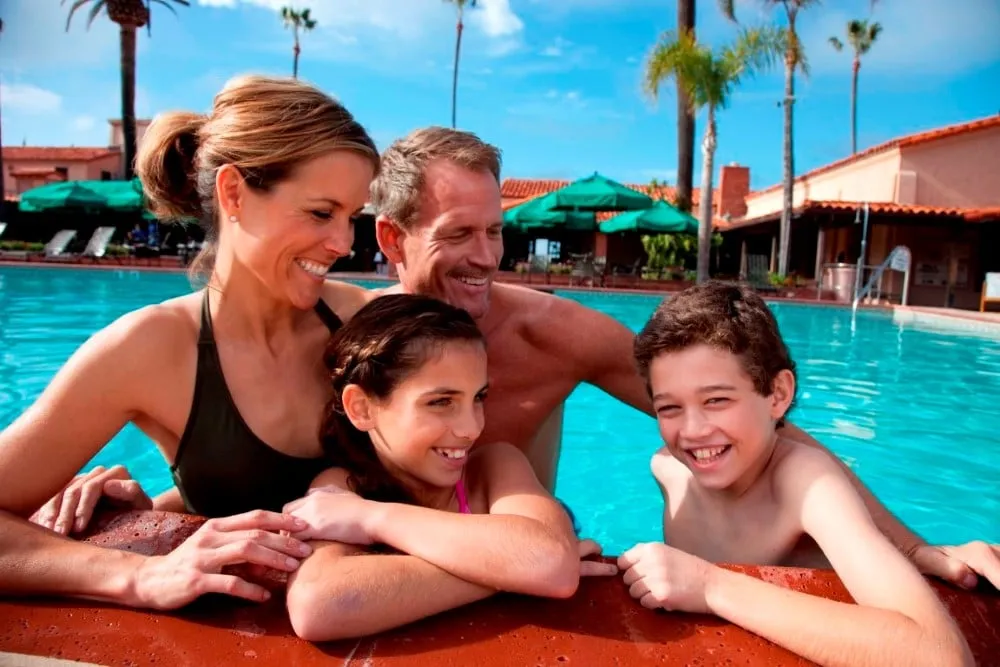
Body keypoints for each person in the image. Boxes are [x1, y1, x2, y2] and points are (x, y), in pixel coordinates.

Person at [362, 126, 1000, 592]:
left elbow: (754, 420)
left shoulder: (556, 334)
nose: (484, 257)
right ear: (392, 238)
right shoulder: (353, 336)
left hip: (526, 575)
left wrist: (915, 548)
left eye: (494, 231)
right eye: (456, 234)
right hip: (391, 569)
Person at [0, 74, 380, 609]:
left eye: (352, 218)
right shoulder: (151, 349)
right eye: (321, 213)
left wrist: (161, 506)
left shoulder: (366, 325)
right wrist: (135, 574)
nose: (343, 243)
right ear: (233, 193)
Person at [616, 281, 973, 667]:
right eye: (669, 408)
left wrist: (711, 586)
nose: (693, 430)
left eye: (716, 400)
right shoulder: (668, 469)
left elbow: (940, 657)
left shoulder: (806, 483)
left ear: (777, 394)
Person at [278, 293, 616, 641]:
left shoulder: (494, 468)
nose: (471, 428)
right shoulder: (341, 489)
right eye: (441, 402)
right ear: (362, 408)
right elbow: (317, 607)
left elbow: (549, 564)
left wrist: (372, 519)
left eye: (479, 398)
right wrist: (509, 571)